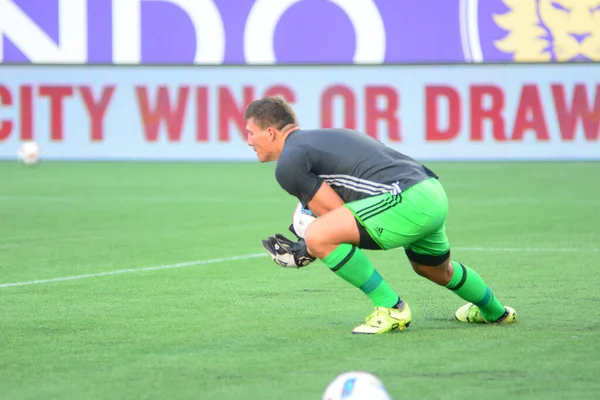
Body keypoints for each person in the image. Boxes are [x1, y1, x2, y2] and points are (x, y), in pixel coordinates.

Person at [244, 96, 517, 334]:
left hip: (407, 200)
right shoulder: (329, 135)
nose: (248, 141)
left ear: (270, 132)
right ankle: (495, 312)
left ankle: (391, 307)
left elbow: (337, 215)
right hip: (431, 191)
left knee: (318, 235)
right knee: (434, 270)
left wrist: (309, 247)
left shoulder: (289, 162)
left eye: (250, 133)